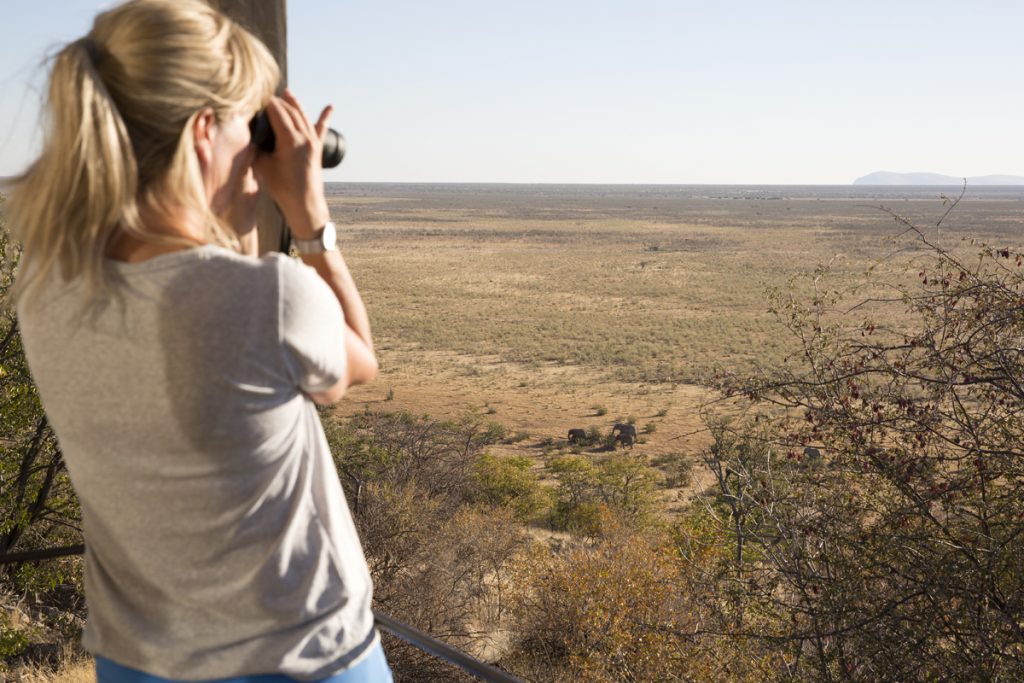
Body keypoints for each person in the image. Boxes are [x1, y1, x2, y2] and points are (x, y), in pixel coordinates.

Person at [6, 0, 389, 680]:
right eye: (252, 126)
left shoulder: (44, 282)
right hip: (302, 656)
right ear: (205, 132)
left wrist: (228, 208)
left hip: (136, 657)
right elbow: (355, 360)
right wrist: (311, 222)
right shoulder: (265, 298)